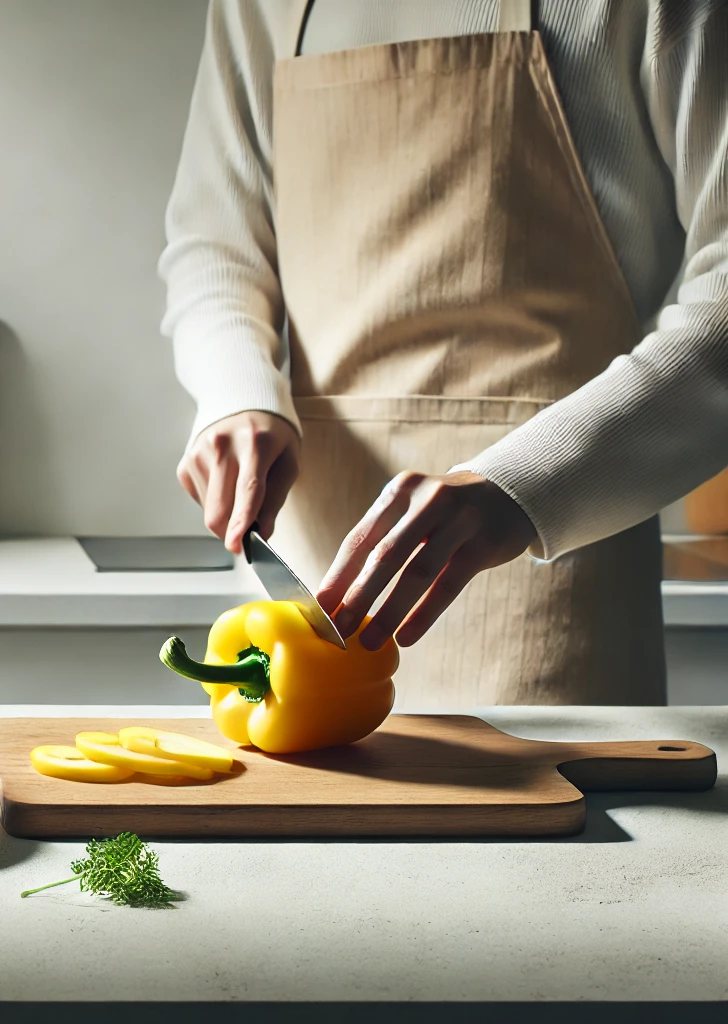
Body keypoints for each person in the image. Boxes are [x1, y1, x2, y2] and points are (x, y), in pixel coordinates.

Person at [160, 0, 728, 704]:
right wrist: (235, 392)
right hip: (306, 586)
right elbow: (213, 246)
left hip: (550, 578)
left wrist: (523, 488)